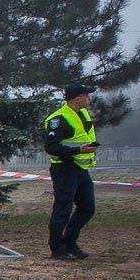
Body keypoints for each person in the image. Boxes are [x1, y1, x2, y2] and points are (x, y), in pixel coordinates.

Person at [43, 83, 98, 260]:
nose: (89, 98)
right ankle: (57, 248)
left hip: (81, 168)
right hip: (65, 168)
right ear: (77, 98)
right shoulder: (59, 118)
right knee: (63, 209)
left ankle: (69, 242)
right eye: (86, 95)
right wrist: (78, 151)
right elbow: (51, 146)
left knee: (88, 207)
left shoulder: (82, 114)